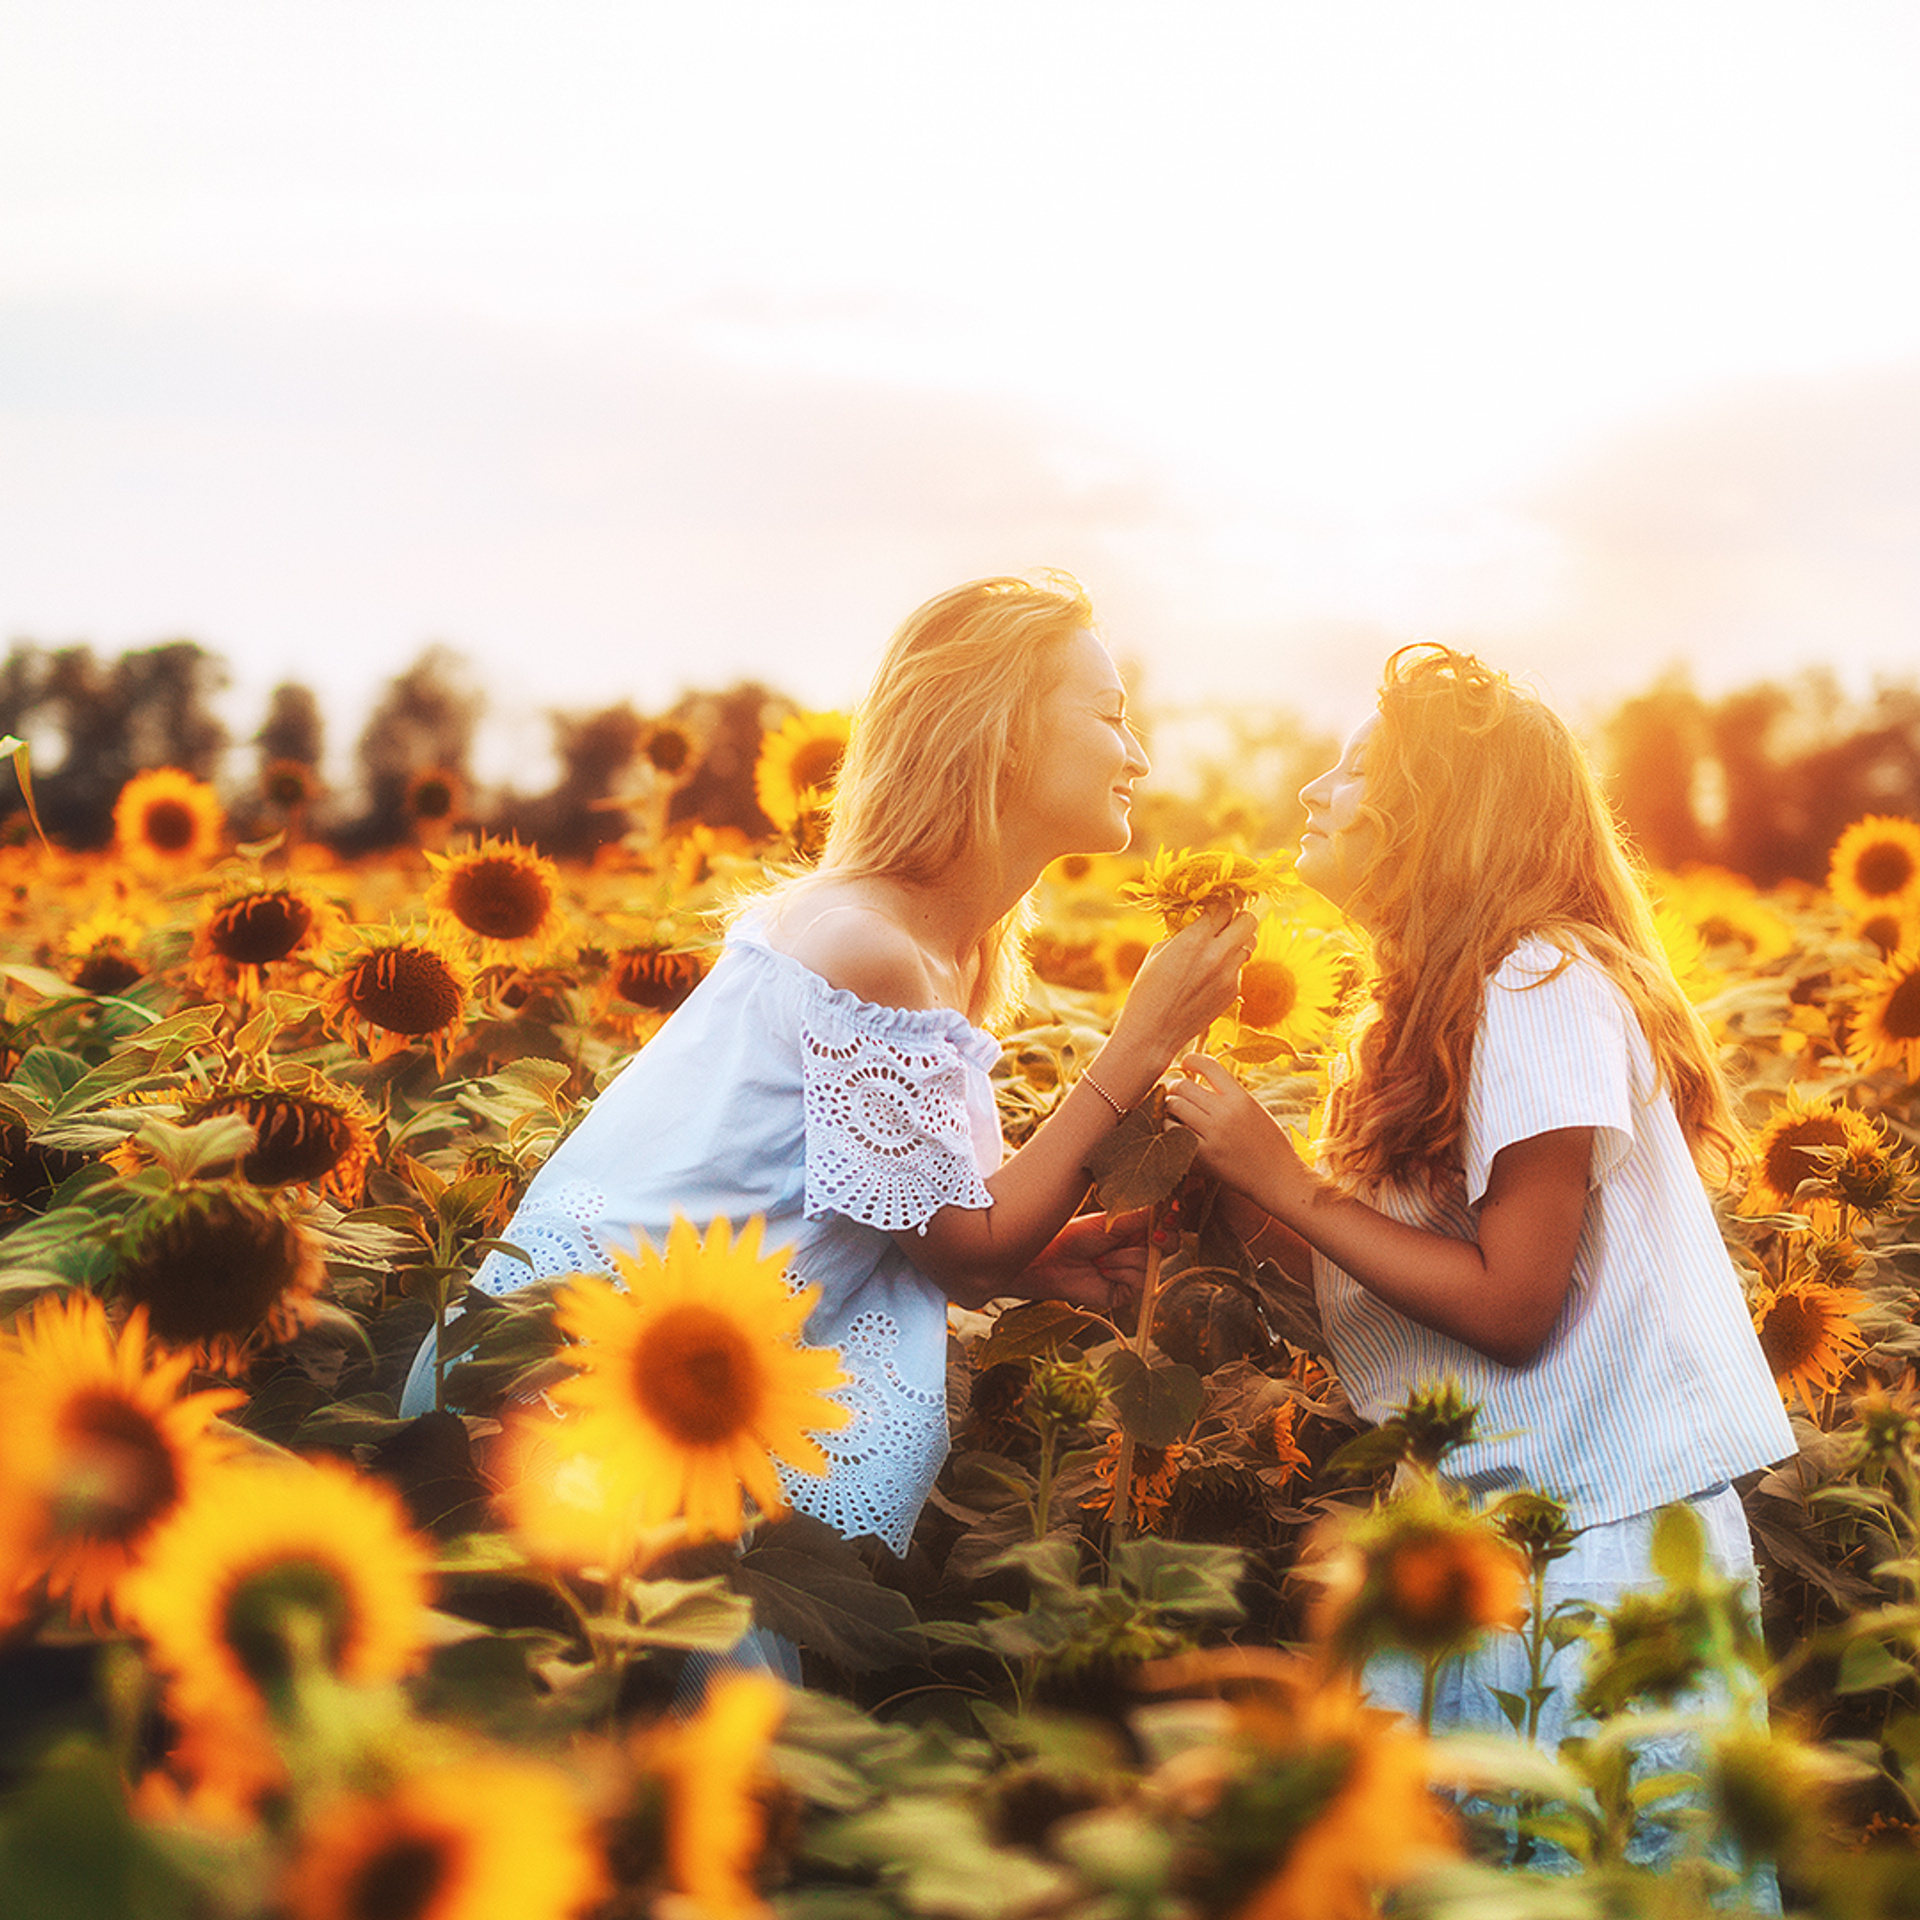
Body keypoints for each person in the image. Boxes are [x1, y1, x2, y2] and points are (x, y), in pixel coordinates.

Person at [406, 574, 1251, 1571]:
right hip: (571, 1403)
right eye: (1111, 716)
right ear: (1003, 733)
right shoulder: (868, 949)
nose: (1139, 753)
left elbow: (920, 1209)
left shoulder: (939, 948)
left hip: (663, 1403)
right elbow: (967, 1250)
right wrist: (1141, 1042)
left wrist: (1041, 1256)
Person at [1164, 645, 1794, 1823]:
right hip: (1485, 1539)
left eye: (1355, 774)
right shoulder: (1430, 1009)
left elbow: (1511, 1305)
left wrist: (1288, 1185)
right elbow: (1392, 1275)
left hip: (1597, 1558)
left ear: (1439, 820)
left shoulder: (1538, 981)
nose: (1313, 792)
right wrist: (1221, 1178)